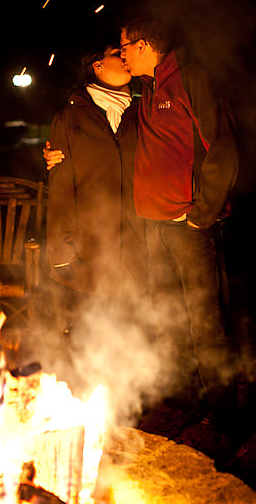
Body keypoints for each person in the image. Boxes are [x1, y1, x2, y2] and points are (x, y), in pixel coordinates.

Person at [118, 13, 240, 422]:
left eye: (124, 48)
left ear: (145, 46)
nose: (121, 56)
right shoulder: (146, 90)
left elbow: (222, 146)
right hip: (156, 224)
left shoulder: (191, 78)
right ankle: (185, 405)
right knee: (168, 317)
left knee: (205, 319)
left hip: (189, 226)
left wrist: (201, 213)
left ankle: (224, 415)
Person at [41, 44, 147, 392]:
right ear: (97, 66)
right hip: (92, 237)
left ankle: (130, 397)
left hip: (137, 234)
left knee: (136, 321)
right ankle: (89, 397)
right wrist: (60, 245)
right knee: (93, 321)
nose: (126, 58)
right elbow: (60, 185)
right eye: (118, 53)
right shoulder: (72, 115)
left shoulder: (142, 106)